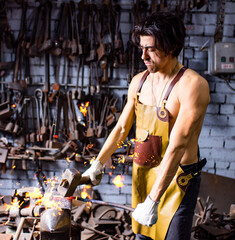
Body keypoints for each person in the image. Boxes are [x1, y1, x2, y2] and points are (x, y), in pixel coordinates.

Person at [82, 11, 210, 240]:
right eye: (141, 48)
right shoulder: (138, 82)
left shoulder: (192, 85)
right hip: (144, 177)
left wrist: (153, 200)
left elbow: (177, 146)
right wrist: (98, 163)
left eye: (150, 49)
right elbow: (121, 128)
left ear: (171, 47)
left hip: (177, 183)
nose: (143, 56)